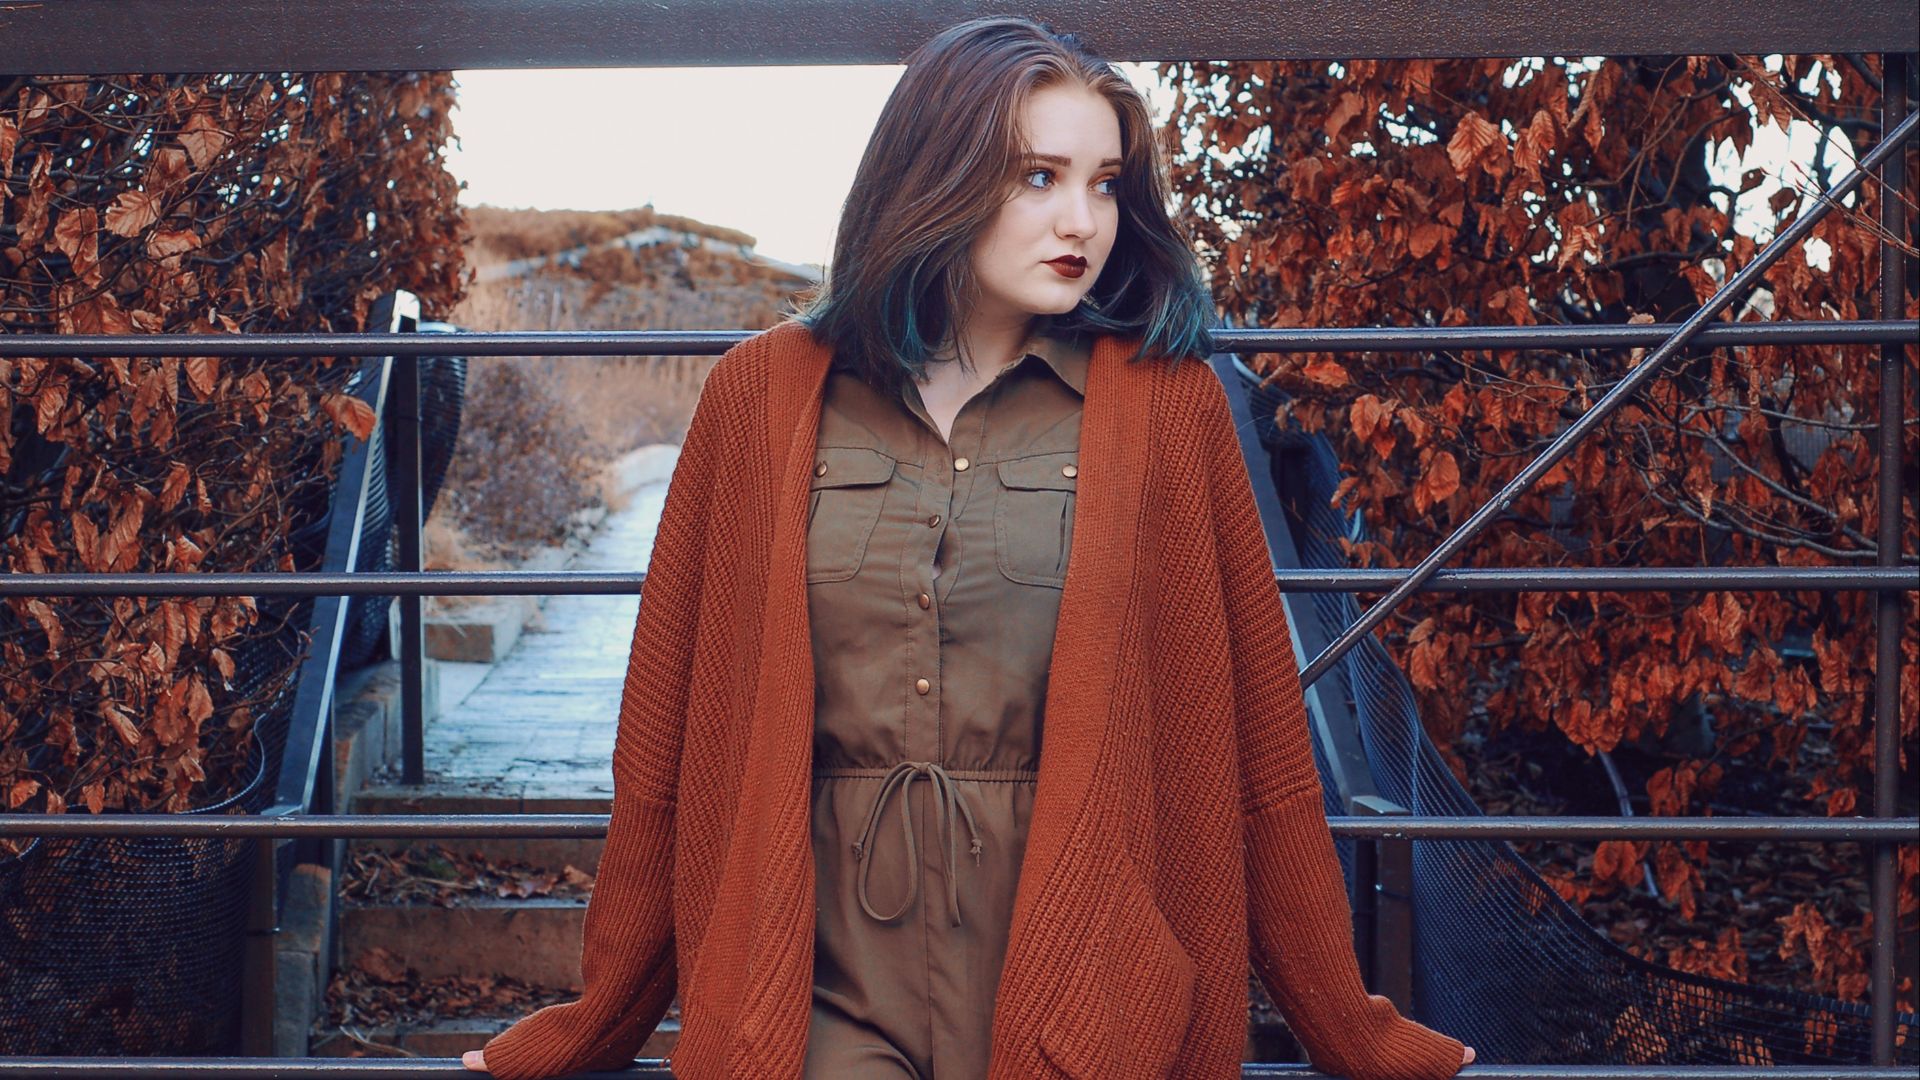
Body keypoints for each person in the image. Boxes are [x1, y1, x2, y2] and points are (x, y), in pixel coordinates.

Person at [466, 14, 1474, 1080]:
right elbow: (667, 742)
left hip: (1086, 981)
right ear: (934, 175)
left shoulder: (1170, 413)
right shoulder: (758, 398)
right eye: (1037, 176)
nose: (1081, 220)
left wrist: (1344, 1027)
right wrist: (601, 1019)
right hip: (814, 986)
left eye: (1105, 183)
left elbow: (1260, 753)